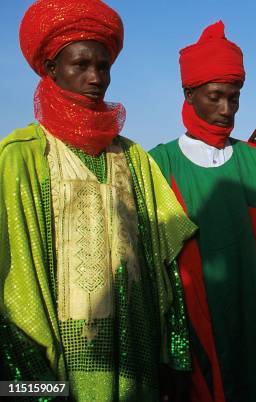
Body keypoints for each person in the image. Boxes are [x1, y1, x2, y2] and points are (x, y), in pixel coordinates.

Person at [0, 1, 197, 400]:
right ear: (51, 69)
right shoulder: (21, 155)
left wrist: (175, 356)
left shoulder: (133, 157)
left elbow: (167, 263)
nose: (95, 78)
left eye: (103, 66)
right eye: (81, 65)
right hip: (58, 368)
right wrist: (33, 387)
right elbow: (10, 279)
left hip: (137, 362)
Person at [149, 24, 256, 402]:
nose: (227, 110)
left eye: (234, 98)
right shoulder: (158, 165)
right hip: (189, 335)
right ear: (189, 94)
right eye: (215, 97)